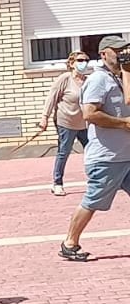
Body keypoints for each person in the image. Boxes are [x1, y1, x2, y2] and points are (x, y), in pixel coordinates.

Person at [60, 36, 130, 261]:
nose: (122, 54)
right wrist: (124, 123)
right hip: (107, 158)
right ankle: (69, 243)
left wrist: (127, 72)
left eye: (125, 50)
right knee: (93, 201)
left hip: (126, 155)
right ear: (103, 54)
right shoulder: (99, 80)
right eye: (117, 51)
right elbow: (90, 114)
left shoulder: (118, 77)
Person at [40, 51, 93, 196]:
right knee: (64, 152)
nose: (84, 63)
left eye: (86, 60)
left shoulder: (88, 80)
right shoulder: (64, 79)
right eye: (80, 60)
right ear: (71, 63)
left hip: (84, 124)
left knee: (92, 152)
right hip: (66, 122)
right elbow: (52, 98)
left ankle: (95, 180)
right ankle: (57, 183)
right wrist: (44, 117)